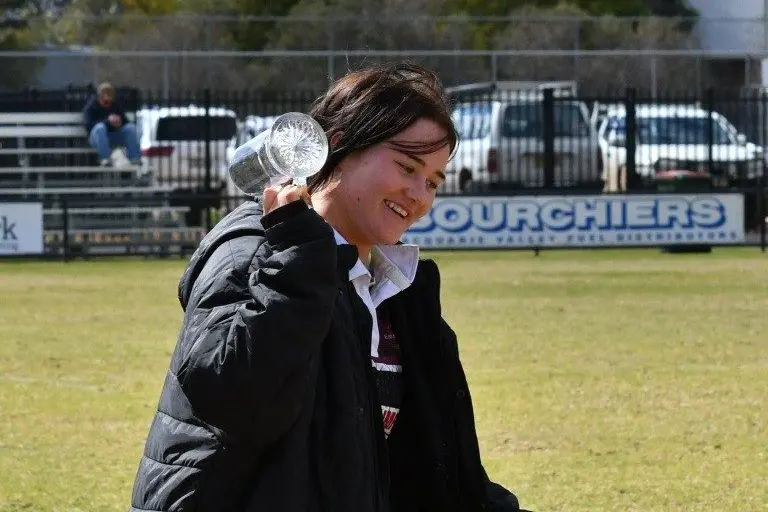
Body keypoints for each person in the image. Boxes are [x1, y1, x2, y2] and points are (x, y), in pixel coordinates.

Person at [130, 62, 531, 512]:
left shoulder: (394, 291)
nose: (419, 195)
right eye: (406, 166)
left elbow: (427, 461)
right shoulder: (255, 248)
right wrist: (300, 259)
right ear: (337, 144)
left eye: (434, 181)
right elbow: (230, 398)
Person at [82, 81, 142, 167]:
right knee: (100, 128)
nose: (107, 100)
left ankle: (135, 158)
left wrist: (119, 122)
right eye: (104, 96)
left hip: (114, 136)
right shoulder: (91, 107)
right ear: (99, 96)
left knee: (131, 128)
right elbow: (89, 126)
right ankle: (105, 159)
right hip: (97, 138)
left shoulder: (115, 106)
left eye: (109, 95)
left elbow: (125, 122)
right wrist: (108, 122)